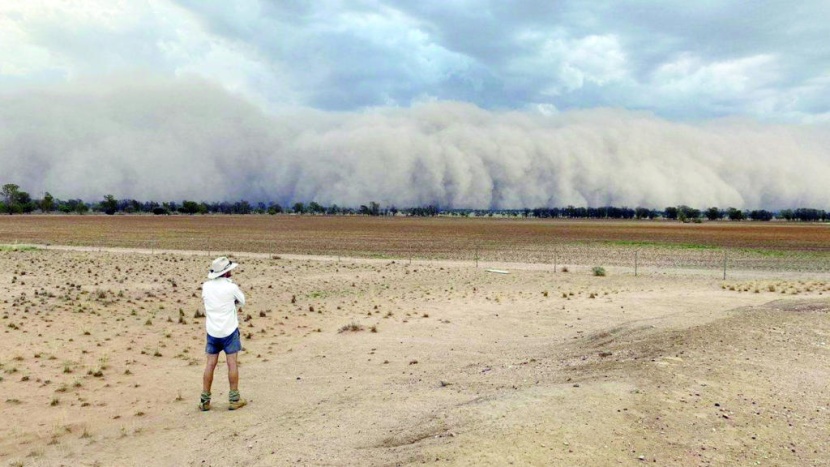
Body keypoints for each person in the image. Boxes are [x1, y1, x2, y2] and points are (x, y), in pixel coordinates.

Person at [199, 256, 247, 411]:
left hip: (212, 331)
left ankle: (205, 400)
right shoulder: (231, 287)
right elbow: (242, 301)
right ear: (226, 272)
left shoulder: (206, 286)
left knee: (210, 364)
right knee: (232, 363)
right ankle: (234, 399)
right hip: (229, 330)